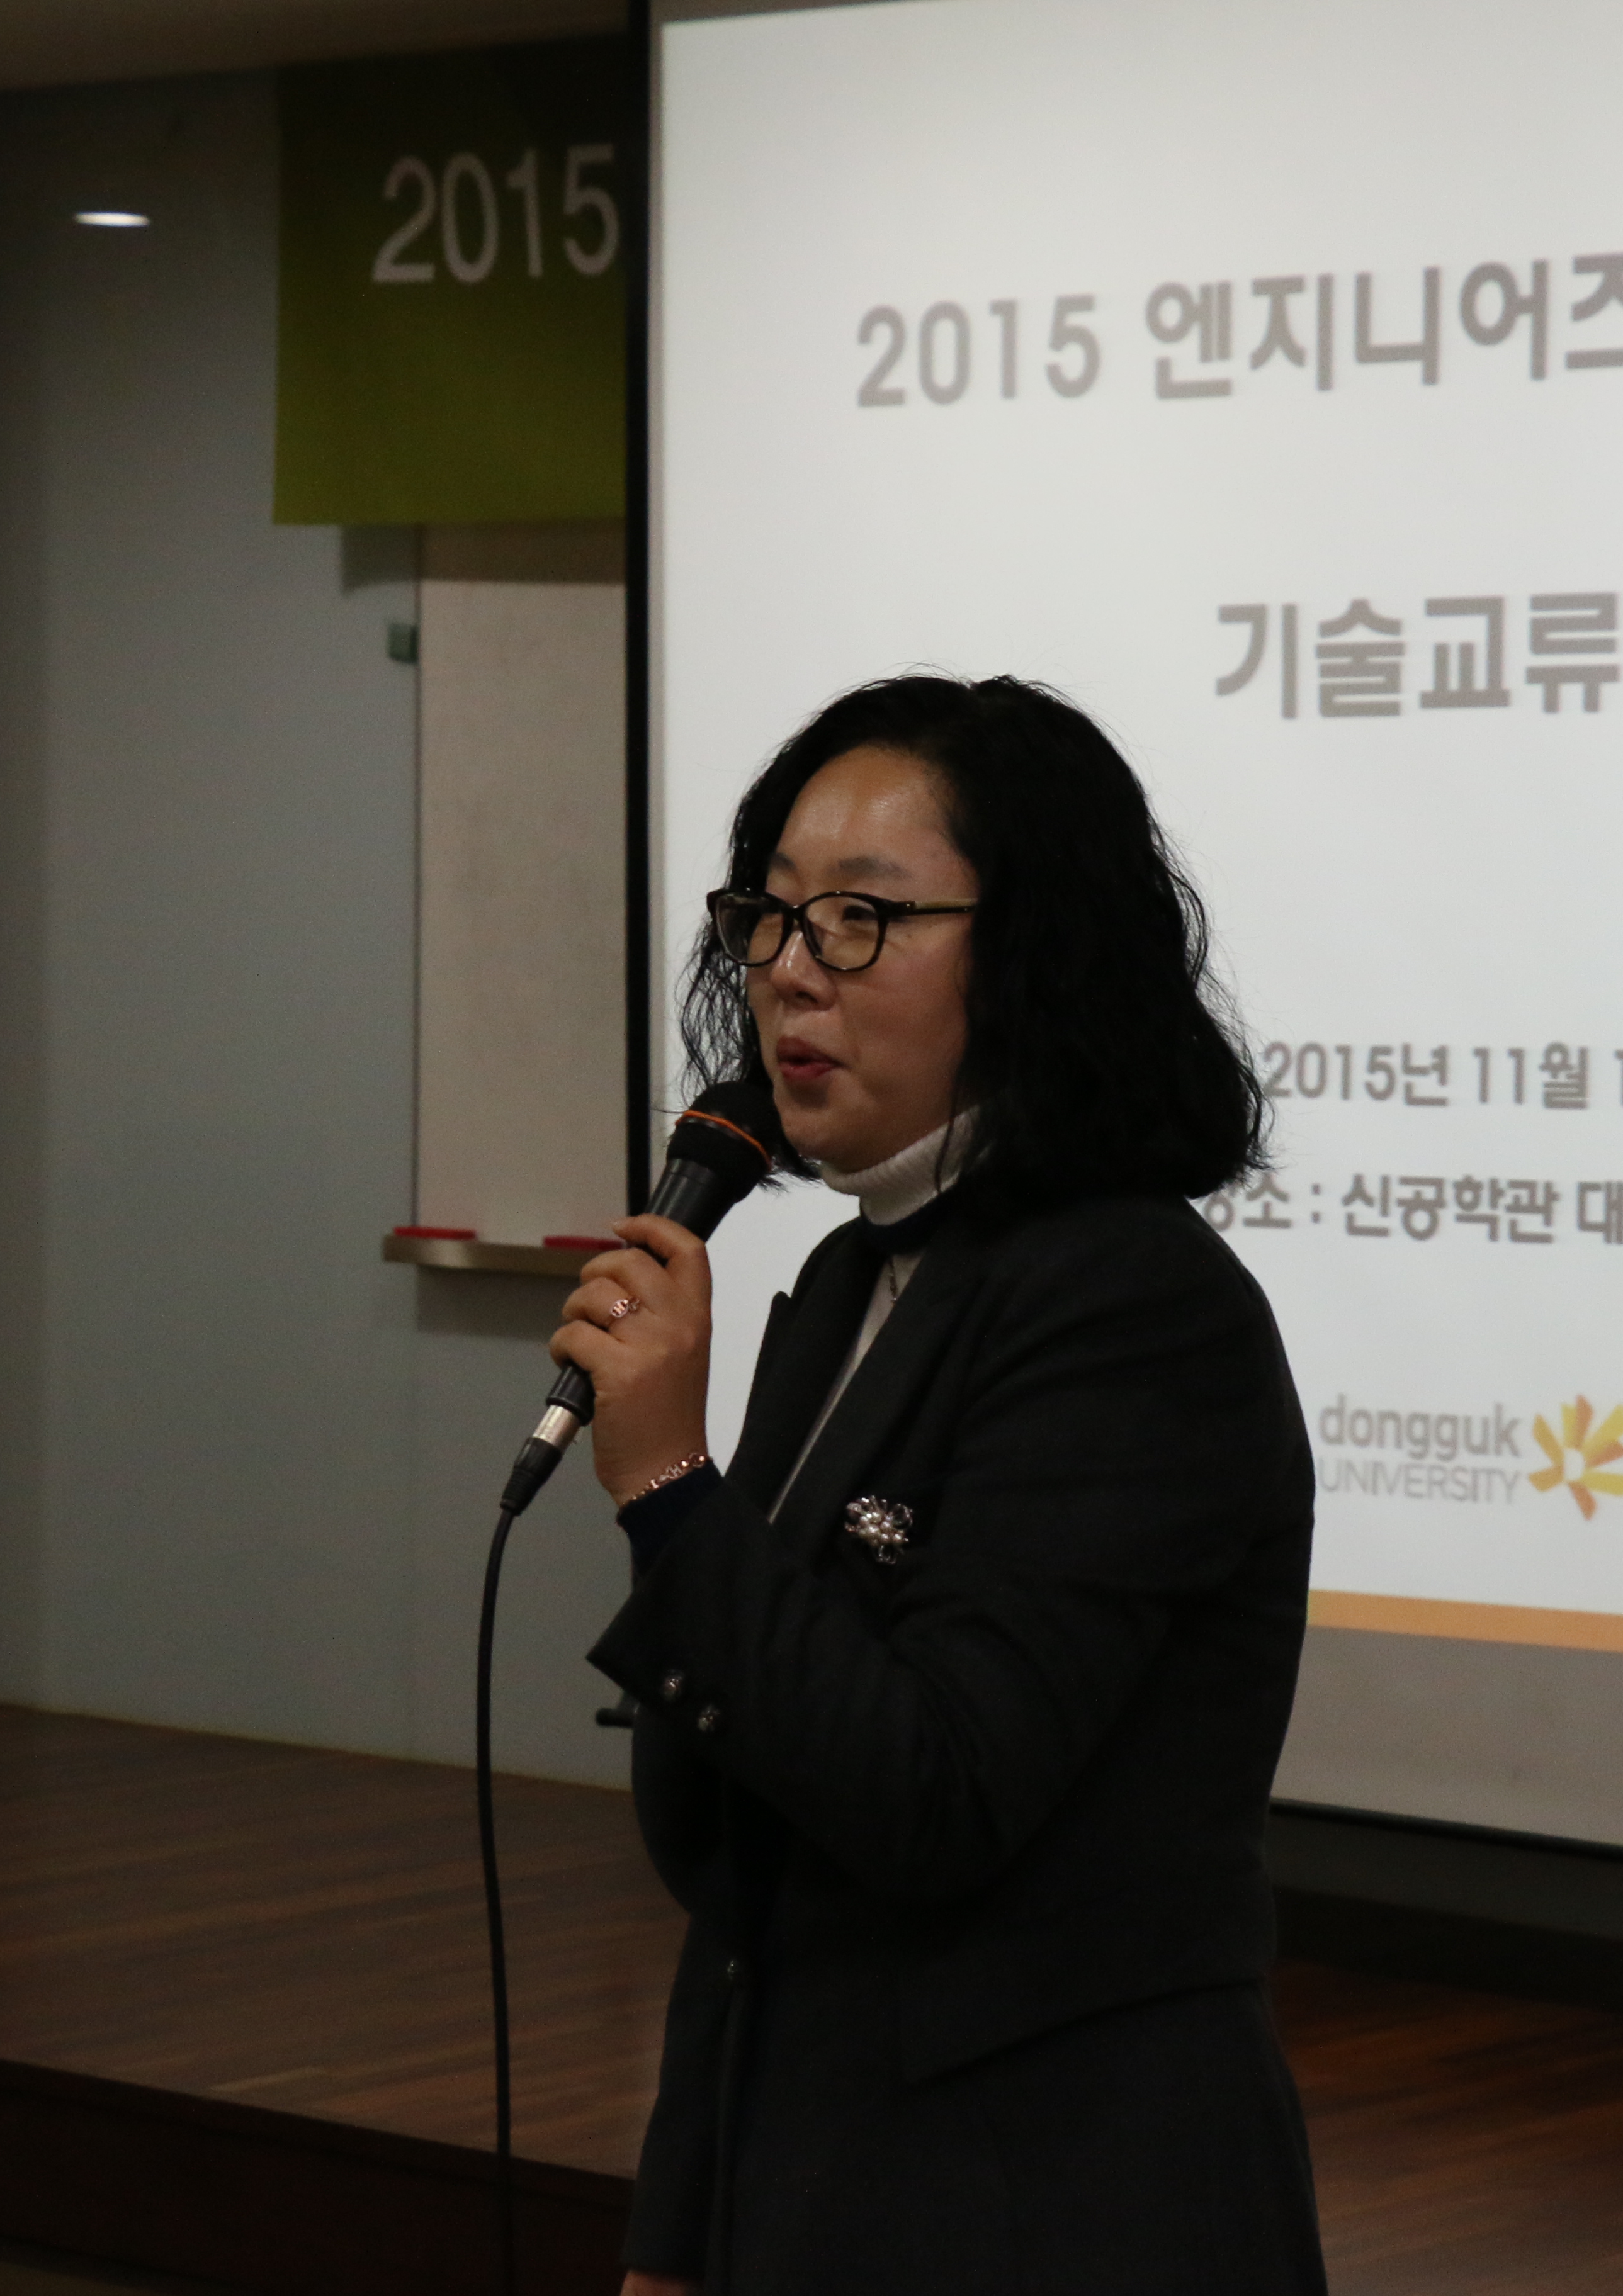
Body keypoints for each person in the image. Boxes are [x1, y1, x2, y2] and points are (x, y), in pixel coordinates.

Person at [547, 675, 1326, 2295]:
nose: (789, 970)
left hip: (1055, 2197)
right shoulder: (851, 1279)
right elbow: (747, 1868)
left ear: (1037, 951)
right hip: (816, 2174)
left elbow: (938, 1793)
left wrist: (672, 1486)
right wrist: (674, 2232)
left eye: (863, 919)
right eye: (770, 916)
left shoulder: (1133, 1302)